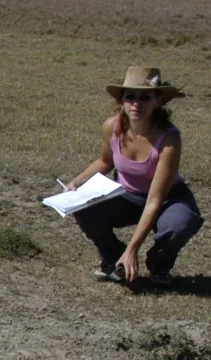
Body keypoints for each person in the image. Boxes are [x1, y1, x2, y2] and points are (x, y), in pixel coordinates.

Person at [67, 66, 202, 287]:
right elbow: (105, 161)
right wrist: (77, 182)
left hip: (167, 198)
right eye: (130, 97)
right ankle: (113, 258)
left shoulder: (169, 139)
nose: (136, 103)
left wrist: (133, 249)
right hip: (126, 194)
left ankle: (159, 265)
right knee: (83, 206)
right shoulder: (112, 127)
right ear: (121, 101)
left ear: (158, 101)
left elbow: (155, 200)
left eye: (145, 97)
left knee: (179, 225)